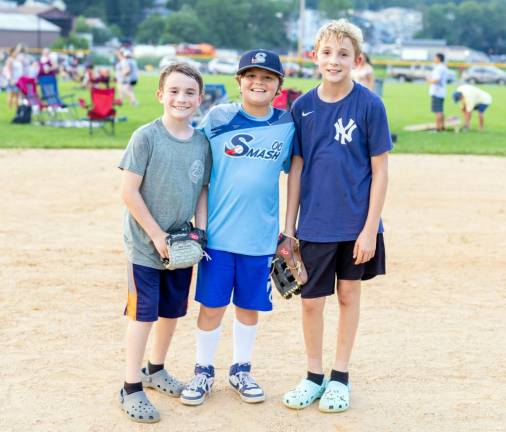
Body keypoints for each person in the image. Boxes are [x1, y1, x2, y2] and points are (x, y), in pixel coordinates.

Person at [282, 19, 392, 413]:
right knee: (310, 301)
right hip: (314, 223)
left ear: (356, 60)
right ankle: (314, 375)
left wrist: (369, 231)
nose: (334, 60)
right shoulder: (303, 107)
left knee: (348, 295)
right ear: (314, 57)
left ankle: (339, 377)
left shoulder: (369, 104)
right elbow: (296, 168)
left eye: (343, 54)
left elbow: (380, 171)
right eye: (327, 53)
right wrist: (288, 228)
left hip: (355, 225)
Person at [179, 49, 296, 406]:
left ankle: (241, 369)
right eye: (251, 76)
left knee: (249, 306)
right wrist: (196, 226)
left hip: (259, 238)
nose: (258, 83)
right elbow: (197, 171)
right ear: (239, 82)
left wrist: (288, 231)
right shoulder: (218, 118)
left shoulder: (287, 125)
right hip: (218, 236)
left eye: (267, 78)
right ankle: (202, 371)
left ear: (278, 86)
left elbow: (297, 174)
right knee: (211, 306)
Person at [118, 62, 212, 423]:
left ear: (200, 98)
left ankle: (155, 369)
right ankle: (130, 385)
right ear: (160, 95)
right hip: (145, 245)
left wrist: (199, 233)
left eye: (190, 92)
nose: (181, 98)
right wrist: (156, 236)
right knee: (143, 314)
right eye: (173, 91)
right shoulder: (146, 136)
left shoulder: (201, 143)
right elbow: (128, 191)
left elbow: (202, 190)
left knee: (172, 311)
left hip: (181, 246)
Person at [427, 52, 448, 132]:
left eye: (435, 58)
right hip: (442, 92)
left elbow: (437, 79)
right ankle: (442, 127)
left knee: (438, 111)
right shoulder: (443, 67)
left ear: (439, 59)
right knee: (441, 110)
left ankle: (438, 128)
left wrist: (429, 80)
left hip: (437, 92)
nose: (434, 59)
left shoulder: (438, 68)